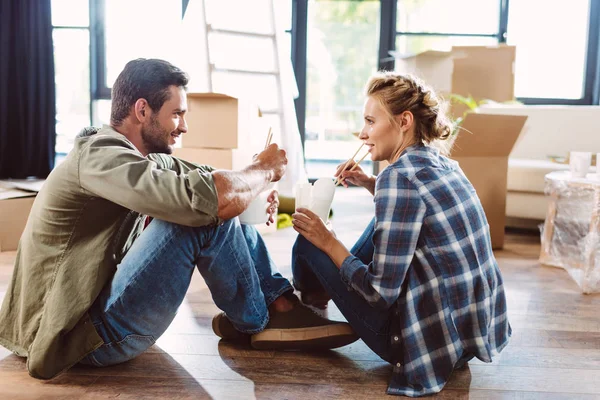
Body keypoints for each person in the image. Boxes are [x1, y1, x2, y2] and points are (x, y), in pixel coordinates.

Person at [0, 58, 358, 380]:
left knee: (214, 202)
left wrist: (262, 193)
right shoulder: (99, 157)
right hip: (73, 337)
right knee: (199, 214)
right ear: (142, 110)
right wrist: (263, 171)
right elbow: (207, 199)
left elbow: (217, 180)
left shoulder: (145, 158)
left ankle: (277, 304)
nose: (183, 126)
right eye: (177, 113)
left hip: (93, 313)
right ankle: (261, 321)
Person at [291, 71, 511, 397]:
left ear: (404, 120)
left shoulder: (398, 179)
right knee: (371, 227)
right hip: (464, 340)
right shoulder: (443, 164)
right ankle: (317, 297)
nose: (362, 133)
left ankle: (307, 311)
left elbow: (379, 294)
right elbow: (413, 209)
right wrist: (370, 183)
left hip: (417, 347)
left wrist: (328, 241)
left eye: (370, 121)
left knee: (308, 243)